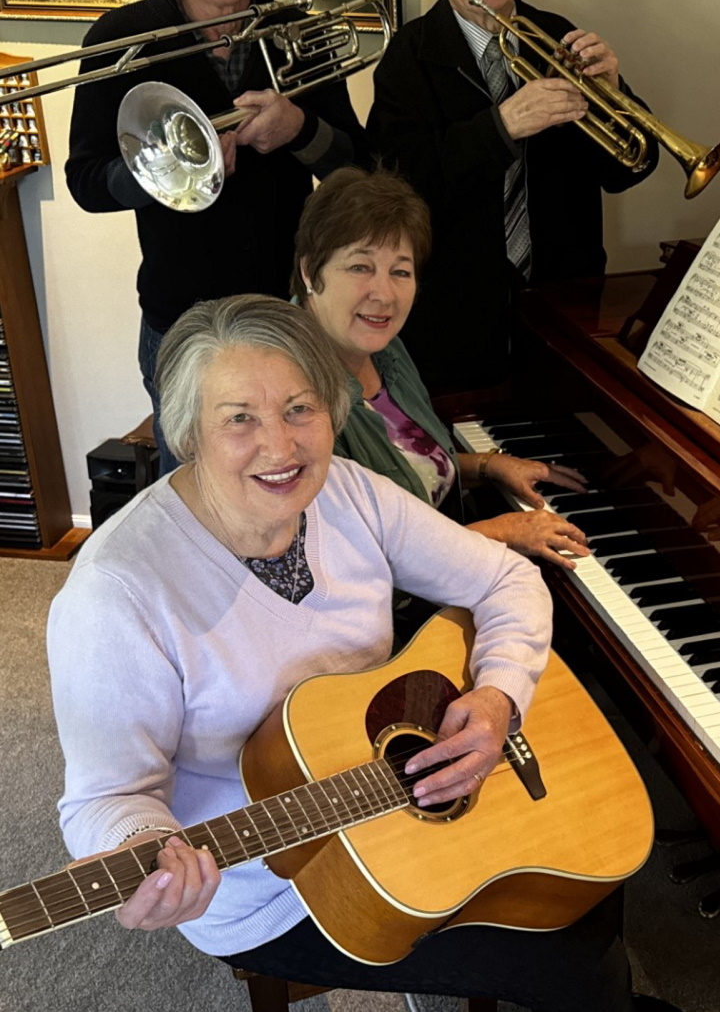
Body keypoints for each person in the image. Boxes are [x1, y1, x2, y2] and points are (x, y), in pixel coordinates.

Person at [45, 295, 637, 1010]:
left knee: (594, 862)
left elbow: (506, 575)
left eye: (300, 408)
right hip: (274, 885)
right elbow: (107, 798)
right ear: (189, 433)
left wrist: (498, 694)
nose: (281, 446)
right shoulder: (116, 591)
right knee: (569, 951)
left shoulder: (348, 492)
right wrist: (148, 853)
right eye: (240, 418)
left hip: (392, 786)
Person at [65, 0, 367, 475]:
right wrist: (166, 169)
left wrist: (299, 129)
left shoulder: (297, 31)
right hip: (181, 324)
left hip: (293, 313)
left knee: (300, 486)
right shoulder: (119, 40)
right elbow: (87, 181)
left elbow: (357, 169)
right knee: (203, 507)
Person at [367, 0, 659, 394]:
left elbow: (629, 169)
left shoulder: (560, 36)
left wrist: (618, 96)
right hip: (450, 323)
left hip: (565, 316)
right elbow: (396, 187)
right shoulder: (407, 57)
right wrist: (501, 127)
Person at [294, 165, 592, 574]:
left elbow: (408, 470)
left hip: (450, 566)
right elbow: (365, 557)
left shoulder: (386, 351)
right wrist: (502, 531)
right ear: (311, 272)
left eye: (400, 271)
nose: (383, 294)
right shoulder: (294, 394)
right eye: (360, 267)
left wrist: (486, 466)